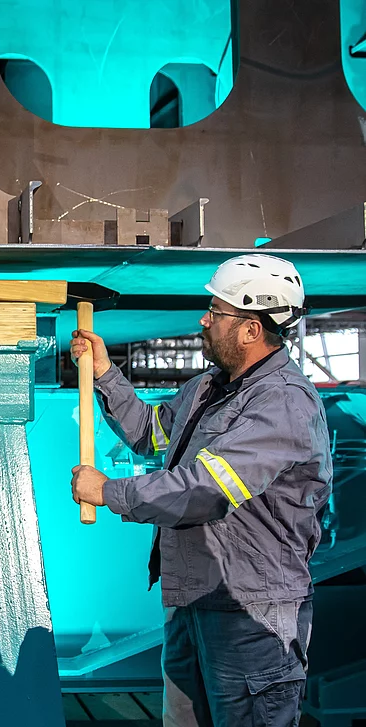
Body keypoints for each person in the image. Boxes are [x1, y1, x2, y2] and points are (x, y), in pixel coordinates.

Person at [70, 254, 332, 727]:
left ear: (251, 329)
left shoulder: (283, 404)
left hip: (250, 613)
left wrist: (110, 492)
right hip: (192, 601)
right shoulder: (209, 388)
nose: (203, 319)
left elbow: (205, 489)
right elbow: (152, 433)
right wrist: (105, 374)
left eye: (216, 311)